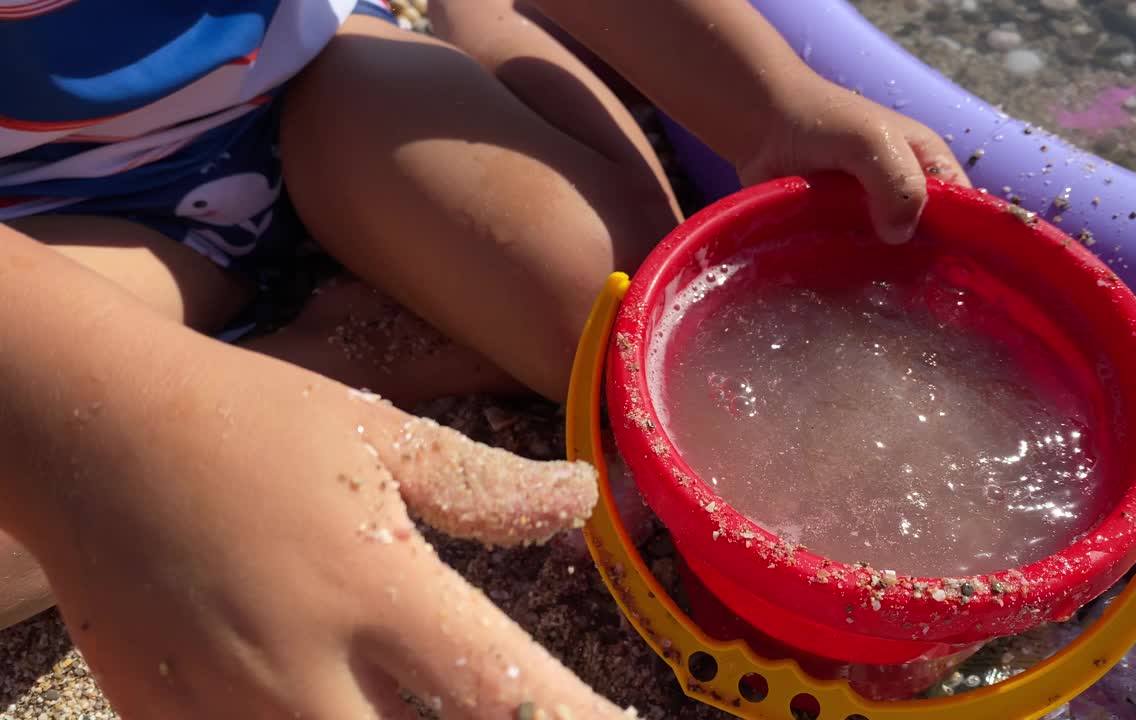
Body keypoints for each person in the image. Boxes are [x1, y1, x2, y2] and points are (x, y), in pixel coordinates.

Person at [0, 0, 970, 716]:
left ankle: (488, 20)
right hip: (55, 222)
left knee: (608, 301)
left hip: (317, 79)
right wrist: (121, 431)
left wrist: (767, 109)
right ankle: (333, 359)